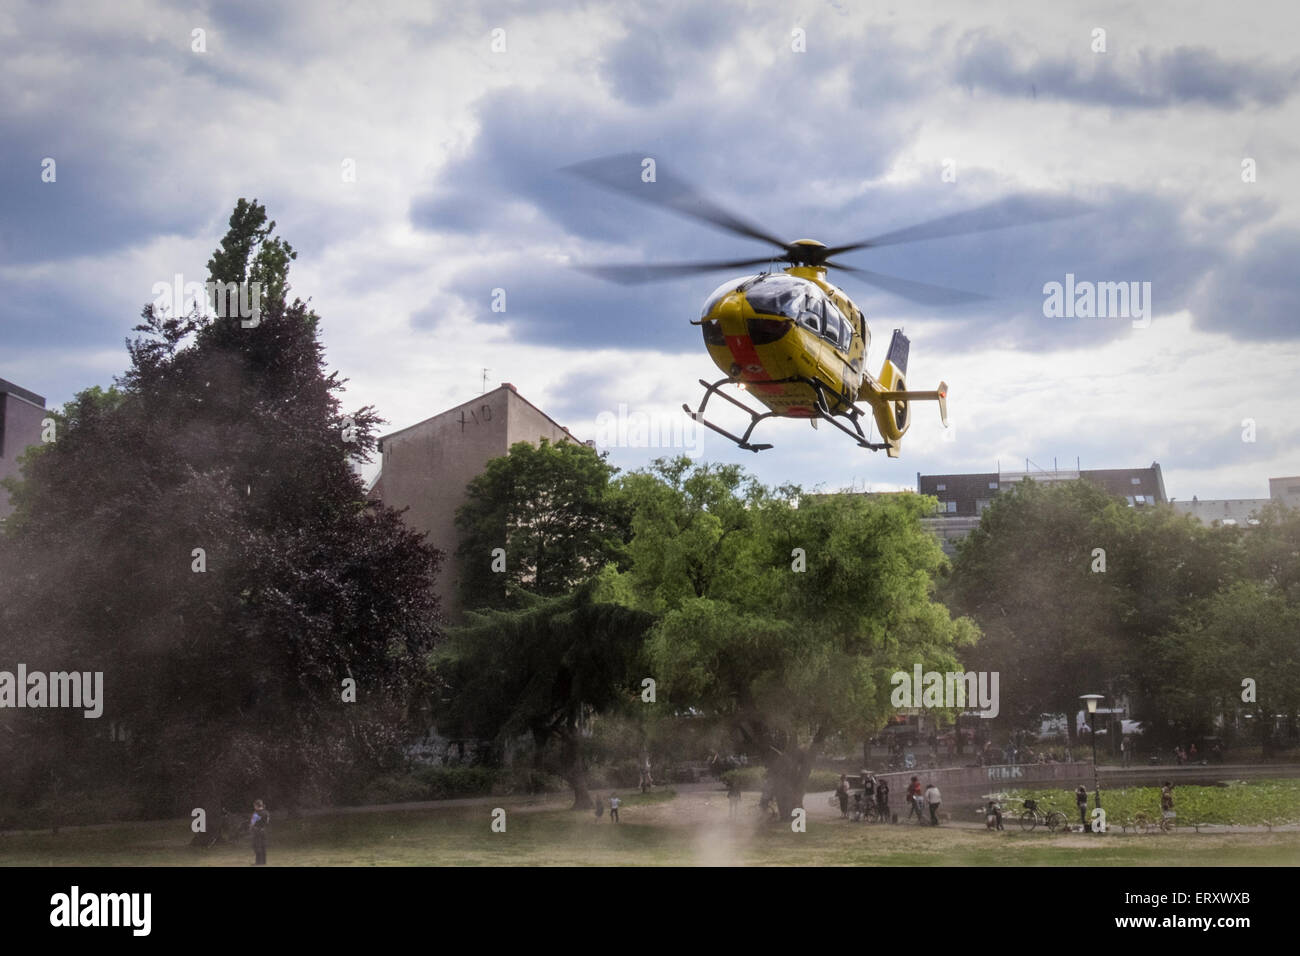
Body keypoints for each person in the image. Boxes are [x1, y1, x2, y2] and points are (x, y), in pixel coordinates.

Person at [249, 799, 268, 866]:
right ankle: (263, 861)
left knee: (257, 846)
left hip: (256, 831)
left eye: (254, 806)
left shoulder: (256, 813)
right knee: (263, 846)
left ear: (256, 805)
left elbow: (252, 823)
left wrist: (250, 828)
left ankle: (258, 862)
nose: (254, 807)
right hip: (264, 830)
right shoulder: (266, 812)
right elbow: (267, 822)